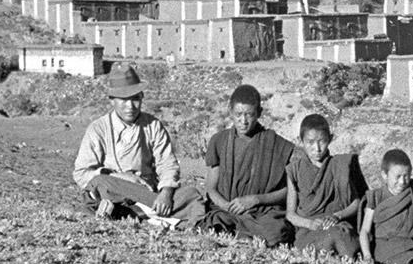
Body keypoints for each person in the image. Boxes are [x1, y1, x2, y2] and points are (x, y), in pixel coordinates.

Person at [72, 63, 204, 225]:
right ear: (112, 100)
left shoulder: (153, 125)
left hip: (148, 193)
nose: (130, 106)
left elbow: (167, 164)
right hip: (113, 190)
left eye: (135, 99)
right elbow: (81, 174)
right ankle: (151, 215)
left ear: (141, 97)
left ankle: (135, 214)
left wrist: (166, 193)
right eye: (124, 100)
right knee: (99, 183)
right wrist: (120, 177)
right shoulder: (98, 129)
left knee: (192, 194)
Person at [198, 84, 295, 245]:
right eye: (238, 114)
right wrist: (227, 206)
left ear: (259, 113)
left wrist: (256, 199)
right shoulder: (219, 141)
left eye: (249, 115)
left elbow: (288, 191)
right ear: (230, 112)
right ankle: (243, 234)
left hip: (261, 211)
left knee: (276, 230)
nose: (243, 121)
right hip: (227, 210)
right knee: (214, 220)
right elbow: (211, 188)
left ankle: (241, 234)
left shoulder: (276, 144)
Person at [285, 114, 367, 258]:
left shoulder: (340, 165)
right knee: (332, 239)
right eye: (310, 142)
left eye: (322, 141)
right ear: (300, 141)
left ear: (331, 138)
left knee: (339, 234)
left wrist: (337, 216)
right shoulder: (294, 170)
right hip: (309, 230)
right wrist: (310, 224)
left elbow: (356, 203)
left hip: (337, 225)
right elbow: (290, 214)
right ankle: (338, 253)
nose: (316, 148)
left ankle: (337, 253)